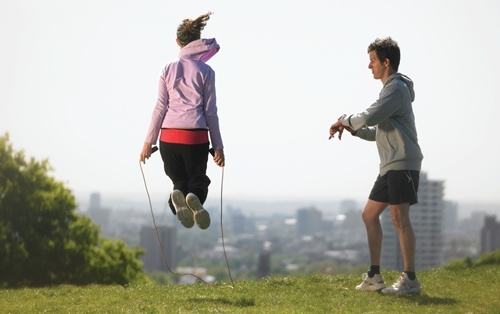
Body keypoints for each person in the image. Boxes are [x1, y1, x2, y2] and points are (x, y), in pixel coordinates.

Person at [329, 37, 423, 294]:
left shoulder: (396, 89)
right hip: (390, 165)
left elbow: (369, 115)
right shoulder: (389, 93)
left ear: (386, 62)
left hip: (403, 162)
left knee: (399, 218)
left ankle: (410, 280)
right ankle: (374, 276)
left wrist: (345, 120)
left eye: (372, 61)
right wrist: (354, 130)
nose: (369, 66)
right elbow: (377, 131)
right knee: (369, 214)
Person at [139, 12, 225, 230]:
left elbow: (159, 107)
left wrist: (147, 143)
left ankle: (177, 197)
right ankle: (194, 197)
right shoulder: (207, 71)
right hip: (195, 136)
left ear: (177, 42)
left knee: (179, 182)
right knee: (198, 181)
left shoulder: (166, 69)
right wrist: (218, 146)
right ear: (198, 40)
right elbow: (210, 112)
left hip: (168, 137)